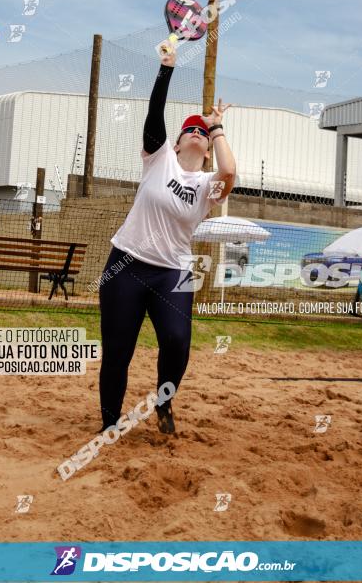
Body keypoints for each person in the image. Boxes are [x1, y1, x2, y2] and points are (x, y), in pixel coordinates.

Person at [98, 42, 237, 435]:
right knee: (118, 352)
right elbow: (154, 112)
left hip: (173, 271)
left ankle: (164, 400)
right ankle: (109, 424)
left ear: (207, 149)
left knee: (177, 342)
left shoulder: (207, 186)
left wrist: (217, 126)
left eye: (201, 132)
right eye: (188, 129)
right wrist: (166, 68)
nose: (195, 132)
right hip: (126, 264)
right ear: (175, 143)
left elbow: (229, 171)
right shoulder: (158, 158)